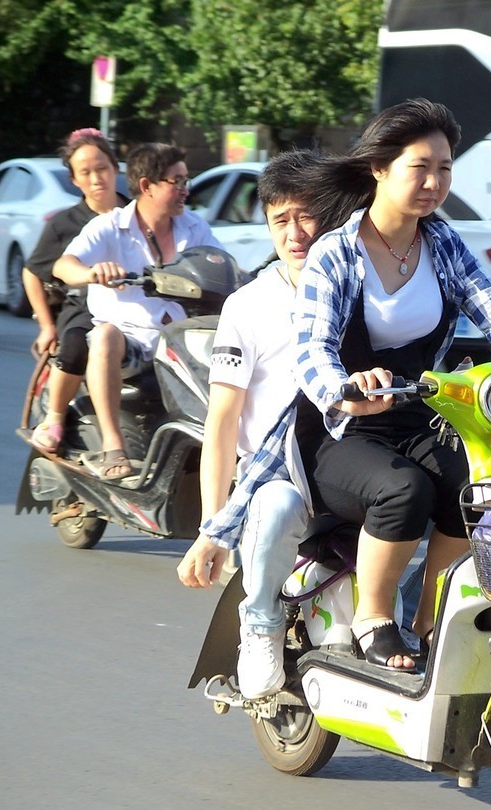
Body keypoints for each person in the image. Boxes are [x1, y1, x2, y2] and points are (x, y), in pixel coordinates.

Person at [195, 98, 491, 673]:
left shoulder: (441, 244)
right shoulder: (335, 253)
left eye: (444, 168)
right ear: (380, 170)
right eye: (421, 167)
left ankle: (428, 617)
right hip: (337, 432)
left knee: (483, 493)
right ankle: (375, 619)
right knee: (403, 490)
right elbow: (310, 350)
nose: (434, 182)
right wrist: (344, 388)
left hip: (416, 416)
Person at [176, 149, 322, 699]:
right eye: (280, 219)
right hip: (274, 476)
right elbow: (222, 421)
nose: (295, 232)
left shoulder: (359, 290)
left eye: (307, 215)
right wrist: (214, 527)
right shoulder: (248, 305)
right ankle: (258, 625)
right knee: (279, 503)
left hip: (352, 466)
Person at [53, 143, 221, 480]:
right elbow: (63, 265)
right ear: (147, 186)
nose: (185, 190)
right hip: (131, 344)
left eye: (186, 181)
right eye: (177, 182)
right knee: (103, 337)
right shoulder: (109, 227)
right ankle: (114, 446)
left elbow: (219, 264)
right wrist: (92, 273)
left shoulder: (194, 226)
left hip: (180, 341)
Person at [24, 128, 128, 453]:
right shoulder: (63, 224)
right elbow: (33, 272)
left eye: (102, 169)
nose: (96, 178)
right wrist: (46, 325)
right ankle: (54, 418)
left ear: (116, 169)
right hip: (85, 308)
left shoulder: (139, 215)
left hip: (136, 306)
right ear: (74, 180)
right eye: (86, 172)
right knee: (75, 343)